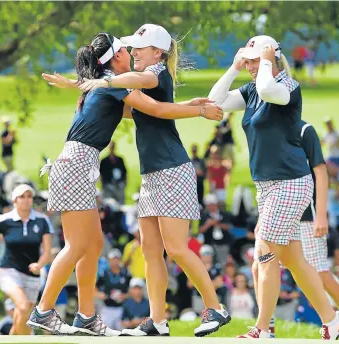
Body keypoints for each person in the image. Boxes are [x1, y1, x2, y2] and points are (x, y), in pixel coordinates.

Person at [31, 31, 223, 337]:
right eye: (126, 50)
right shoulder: (117, 85)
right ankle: (43, 311)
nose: (131, 54)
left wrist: (188, 103)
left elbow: (145, 111)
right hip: (77, 166)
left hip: (77, 166)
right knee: (78, 245)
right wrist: (199, 111)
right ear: (116, 58)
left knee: (93, 246)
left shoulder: (111, 86)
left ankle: (86, 317)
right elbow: (156, 109)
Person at [208, 35, 339, 339]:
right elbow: (216, 100)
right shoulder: (252, 89)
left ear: (270, 58)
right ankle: (334, 321)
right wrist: (234, 68)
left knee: (264, 249)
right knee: (294, 260)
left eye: (254, 60)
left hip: (291, 183)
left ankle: (262, 328)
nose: (250, 66)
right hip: (267, 186)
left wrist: (267, 60)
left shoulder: (287, 87)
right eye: (249, 60)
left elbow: (267, 88)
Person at [257, 121, 339, 340]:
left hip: (306, 219)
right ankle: (266, 330)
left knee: (321, 274)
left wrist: (320, 215)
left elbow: (322, 172)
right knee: (261, 265)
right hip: (279, 214)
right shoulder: (268, 131)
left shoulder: (303, 131)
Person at [0, 184, 53, 335]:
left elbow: (47, 252)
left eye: (29, 196)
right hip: (9, 271)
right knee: (22, 306)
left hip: (32, 275)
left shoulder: (42, 221)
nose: (26, 200)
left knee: (24, 318)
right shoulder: (3, 220)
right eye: (22, 197)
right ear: (14, 200)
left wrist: (40, 264)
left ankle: (13, 339)